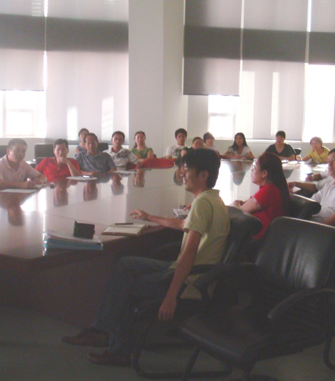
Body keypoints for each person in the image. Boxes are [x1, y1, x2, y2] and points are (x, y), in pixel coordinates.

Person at [61, 148, 230, 366]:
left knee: (126, 284)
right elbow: (183, 224)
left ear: (203, 175)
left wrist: (171, 297)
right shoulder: (213, 199)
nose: (182, 174)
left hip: (190, 282)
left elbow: (189, 254)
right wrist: (149, 217)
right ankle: (102, 330)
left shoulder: (202, 204)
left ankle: (119, 348)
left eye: (187, 170)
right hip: (189, 272)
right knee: (125, 264)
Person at [289, 148, 335, 225]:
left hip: (328, 227)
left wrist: (319, 227)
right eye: (328, 161)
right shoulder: (331, 181)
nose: (330, 164)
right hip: (315, 219)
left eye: (334, 160)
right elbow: (315, 199)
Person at [232, 153, 290, 239]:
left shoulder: (269, 191)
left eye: (254, 167)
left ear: (264, 173)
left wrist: (235, 204)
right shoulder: (271, 188)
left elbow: (239, 212)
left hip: (257, 240)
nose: (252, 170)